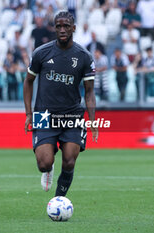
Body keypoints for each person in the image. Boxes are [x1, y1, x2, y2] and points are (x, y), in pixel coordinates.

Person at [23, 11, 98, 197]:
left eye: (66, 26)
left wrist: (93, 121)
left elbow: (89, 92)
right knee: (43, 163)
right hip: (44, 115)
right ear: (54, 28)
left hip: (72, 115)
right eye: (59, 26)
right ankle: (49, 169)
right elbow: (28, 82)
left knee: (70, 161)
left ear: (74, 28)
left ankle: (59, 200)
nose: (62, 30)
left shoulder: (84, 57)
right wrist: (29, 113)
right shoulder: (41, 53)